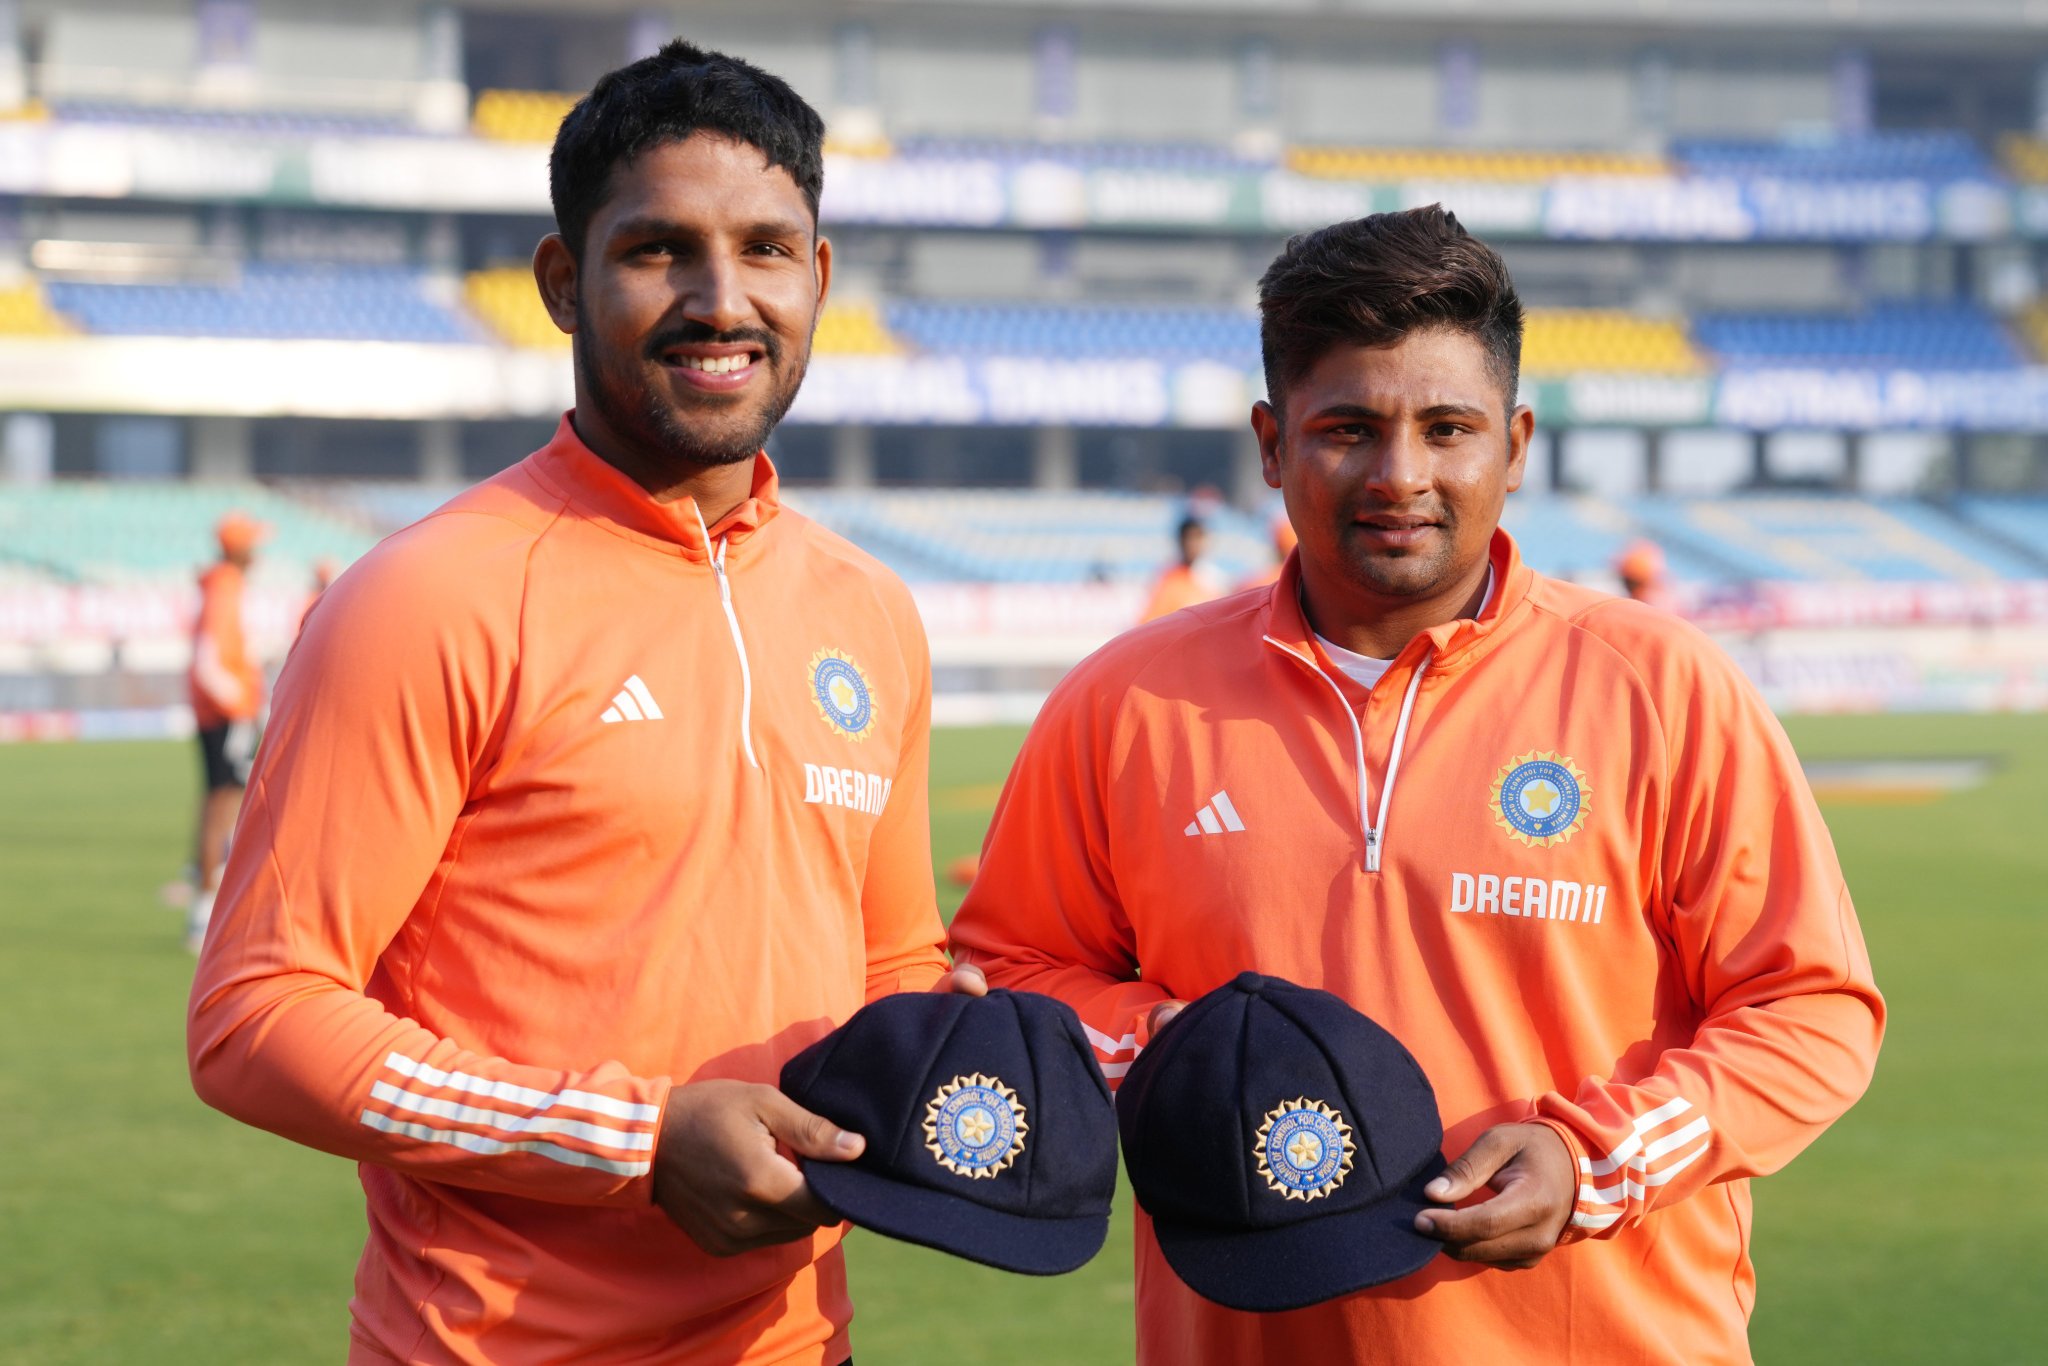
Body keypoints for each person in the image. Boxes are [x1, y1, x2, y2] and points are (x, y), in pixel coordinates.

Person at [948, 206, 1883, 1365]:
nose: (1401, 475)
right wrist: (1174, 1049)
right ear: (1269, 443)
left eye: (1448, 428)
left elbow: (1810, 1008)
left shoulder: (1661, 686)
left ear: (1516, 442)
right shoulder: (1124, 700)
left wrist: (1599, 1156)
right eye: (1347, 426)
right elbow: (1011, 974)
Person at [188, 41, 978, 1366]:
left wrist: (979, 1070)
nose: (723, 301)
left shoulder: (869, 610)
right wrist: (638, 1141)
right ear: (563, 281)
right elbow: (258, 1014)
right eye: (660, 249)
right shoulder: (426, 595)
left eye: (769, 251)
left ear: (821, 279)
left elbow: (894, 964)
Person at [184, 509, 266, 953]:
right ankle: (204, 910)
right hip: (226, 712)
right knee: (224, 802)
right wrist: (239, 704)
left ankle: (207, 906)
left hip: (221, 711)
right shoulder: (224, 586)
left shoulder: (222, 584)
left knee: (223, 800)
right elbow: (209, 658)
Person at [1138, 513, 1222, 622]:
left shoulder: (1213, 579)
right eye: (1189, 538)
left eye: (1198, 537)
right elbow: (1150, 619)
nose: (1193, 544)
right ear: (1180, 541)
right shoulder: (1167, 576)